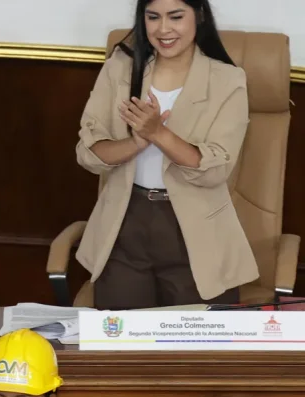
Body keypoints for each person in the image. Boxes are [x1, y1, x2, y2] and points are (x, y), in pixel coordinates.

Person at [76, 0, 255, 309]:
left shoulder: (228, 80)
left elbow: (215, 170)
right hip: (125, 223)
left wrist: (158, 133)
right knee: (122, 334)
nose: (163, 29)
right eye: (153, 17)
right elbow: (88, 153)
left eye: (175, 17)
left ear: (199, 15)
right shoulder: (121, 66)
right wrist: (137, 143)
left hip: (197, 231)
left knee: (193, 337)